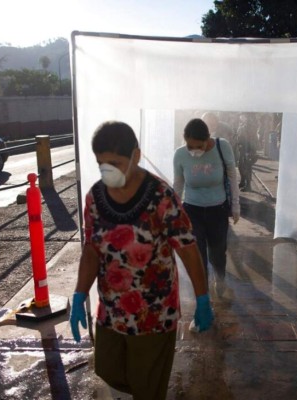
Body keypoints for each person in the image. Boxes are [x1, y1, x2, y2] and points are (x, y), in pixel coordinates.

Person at [70, 121, 214, 400]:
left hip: (154, 315)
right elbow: (91, 249)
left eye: (115, 162)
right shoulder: (95, 198)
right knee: (108, 369)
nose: (107, 170)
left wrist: (203, 298)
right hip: (112, 311)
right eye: (101, 164)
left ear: (136, 156)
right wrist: (79, 293)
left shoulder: (160, 197)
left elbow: (187, 249)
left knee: (147, 388)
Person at [173, 118, 240, 294]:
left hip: (217, 209)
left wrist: (235, 206)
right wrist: (173, 212)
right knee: (198, 253)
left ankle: (220, 278)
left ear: (208, 138)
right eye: (190, 146)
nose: (194, 151)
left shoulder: (222, 147)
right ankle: (203, 293)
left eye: (198, 146)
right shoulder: (180, 155)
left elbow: (232, 176)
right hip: (192, 210)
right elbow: (178, 185)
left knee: (218, 252)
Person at [235, 113, 259, 191]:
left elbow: (251, 138)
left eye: (243, 116)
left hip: (248, 148)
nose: (241, 117)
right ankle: (242, 181)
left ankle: (248, 185)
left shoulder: (250, 125)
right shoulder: (243, 125)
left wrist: (251, 151)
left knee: (247, 167)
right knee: (240, 166)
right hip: (242, 148)